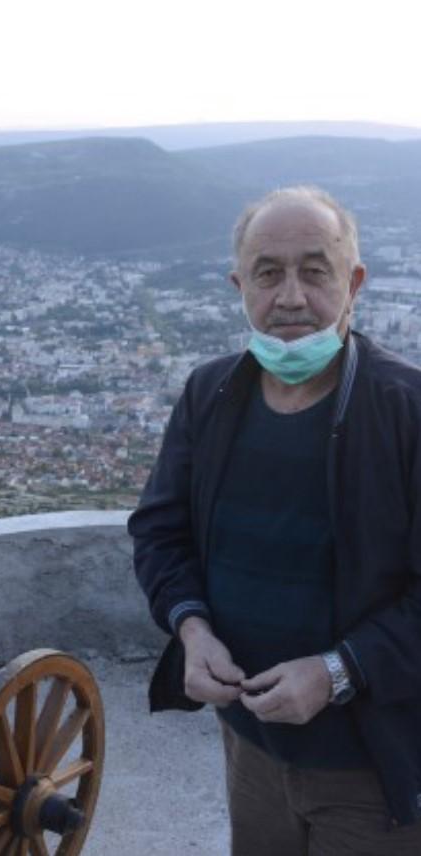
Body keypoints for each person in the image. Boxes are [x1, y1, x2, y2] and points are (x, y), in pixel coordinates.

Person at [129, 185, 421, 854]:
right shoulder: (211, 394)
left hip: (370, 767)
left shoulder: (407, 411)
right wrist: (192, 629)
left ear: (354, 282)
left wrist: (339, 670)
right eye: (268, 273)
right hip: (250, 747)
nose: (290, 296)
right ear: (240, 286)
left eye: (314, 271)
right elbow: (159, 531)